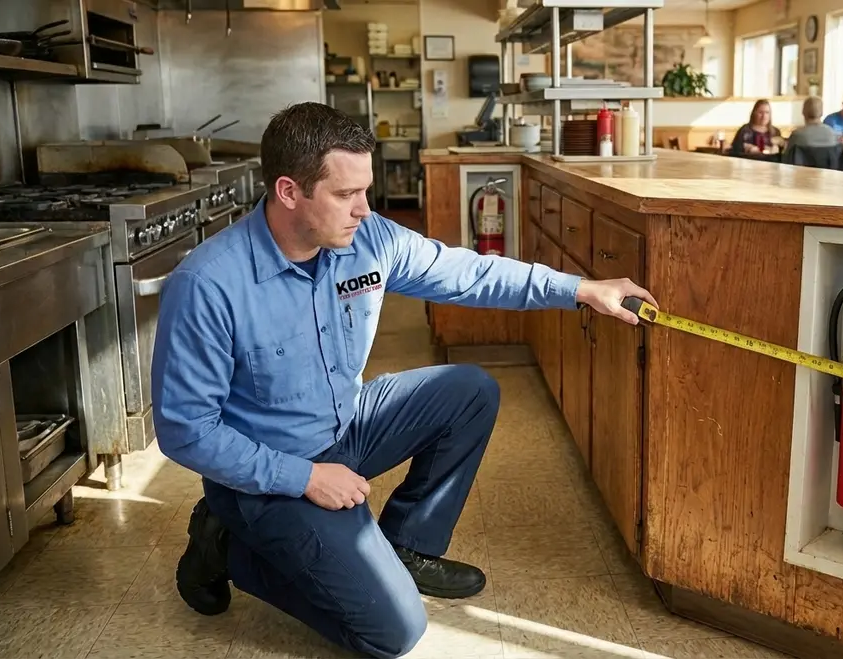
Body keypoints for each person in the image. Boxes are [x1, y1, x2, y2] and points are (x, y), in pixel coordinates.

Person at [152, 102, 658, 659]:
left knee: (469, 392)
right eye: (346, 194)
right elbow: (185, 431)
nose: (364, 209)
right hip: (271, 471)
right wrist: (305, 478)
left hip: (346, 422)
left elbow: (468, 273)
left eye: (365, 191)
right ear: (289, 191)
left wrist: (581, 290)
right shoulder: (208, 284)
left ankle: (406, 546)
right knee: (394, 632)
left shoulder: (369, 240)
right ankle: (227, 547)